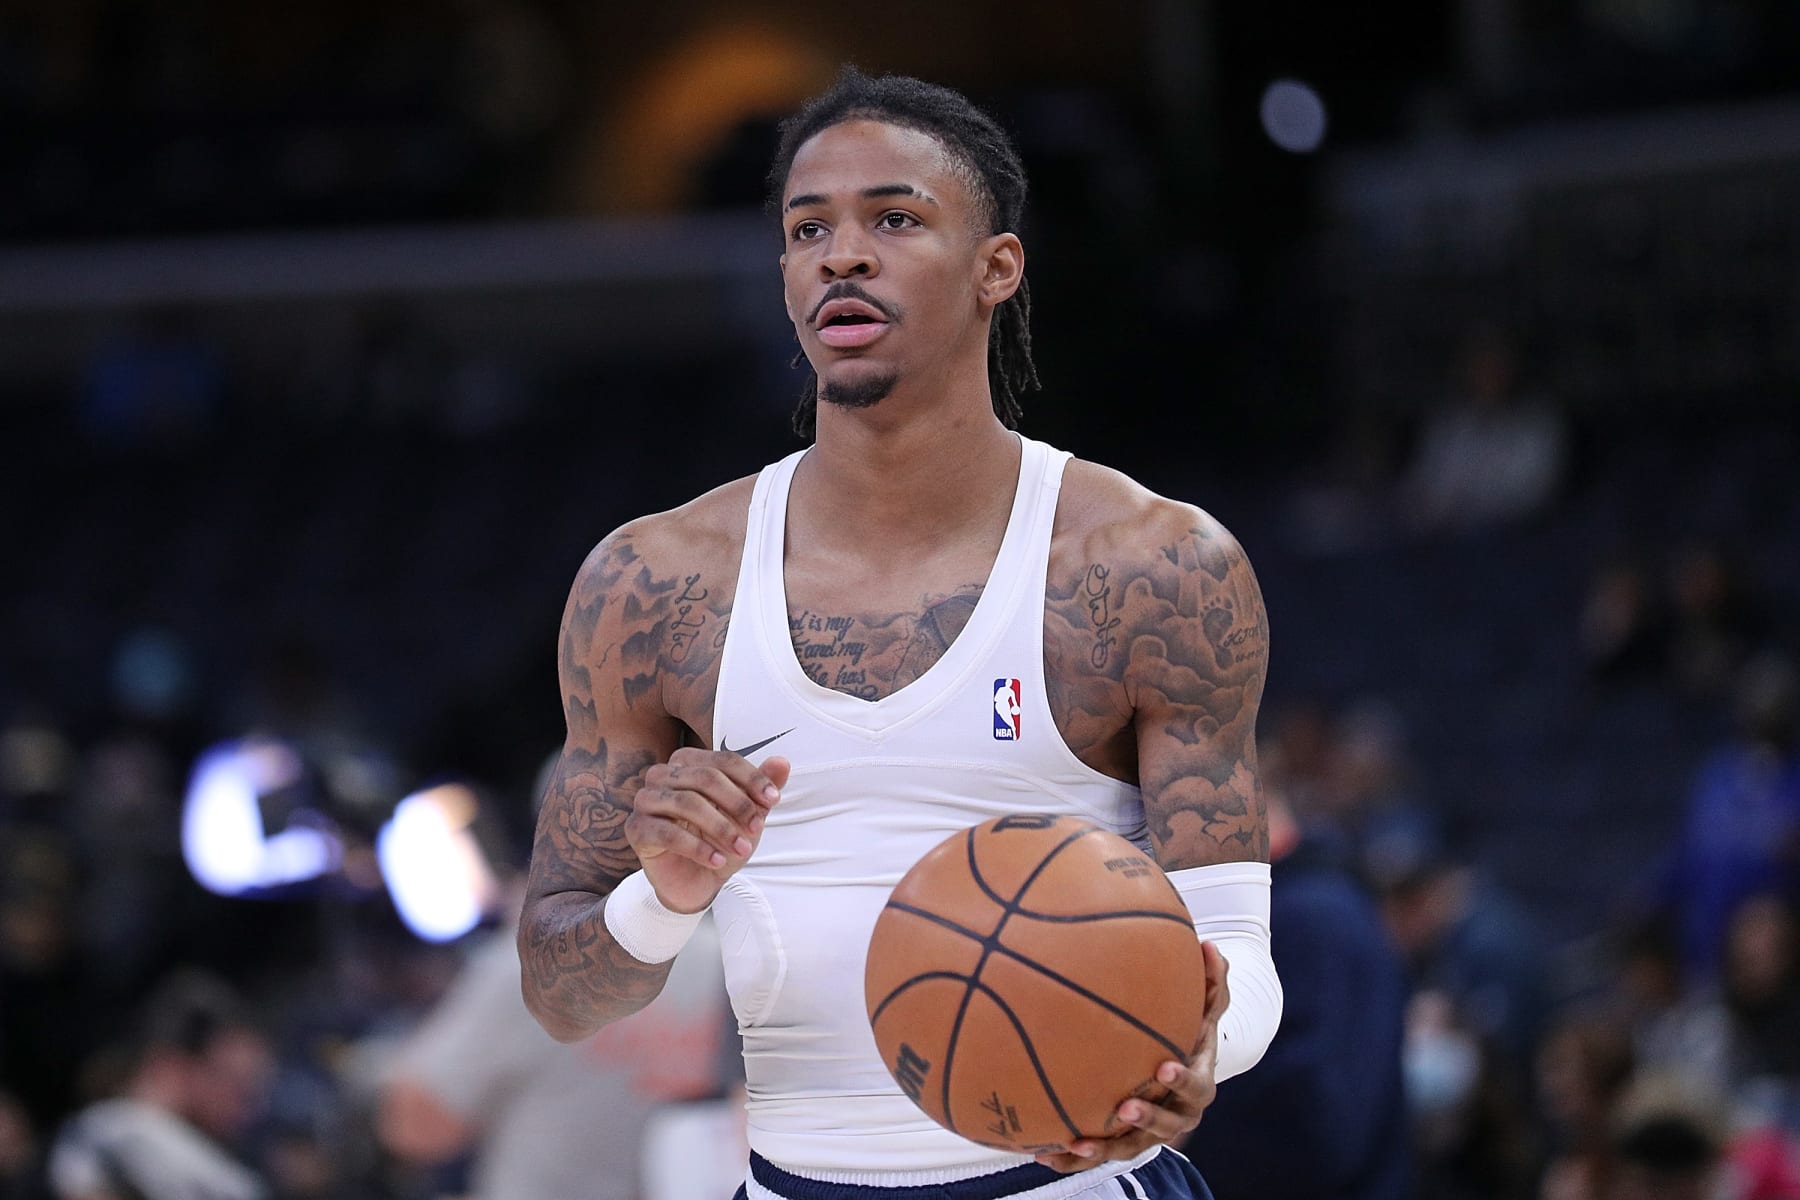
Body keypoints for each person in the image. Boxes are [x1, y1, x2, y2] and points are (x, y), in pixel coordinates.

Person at [517, 68, 1282, 1200]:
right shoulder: (654, 582)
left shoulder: (1152, 566)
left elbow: (1241, 959)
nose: (842, 254)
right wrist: (663, 894)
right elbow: (557, 992)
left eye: (894, 218)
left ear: (997, 268)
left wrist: (1196, 1051)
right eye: (807, 229)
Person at [47, 971, 274, 1200]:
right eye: (234, 1081)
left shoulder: (235, 1172)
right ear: (171, 1066)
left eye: (253, 1086)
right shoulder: (112, 1130)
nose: (249, 1103)